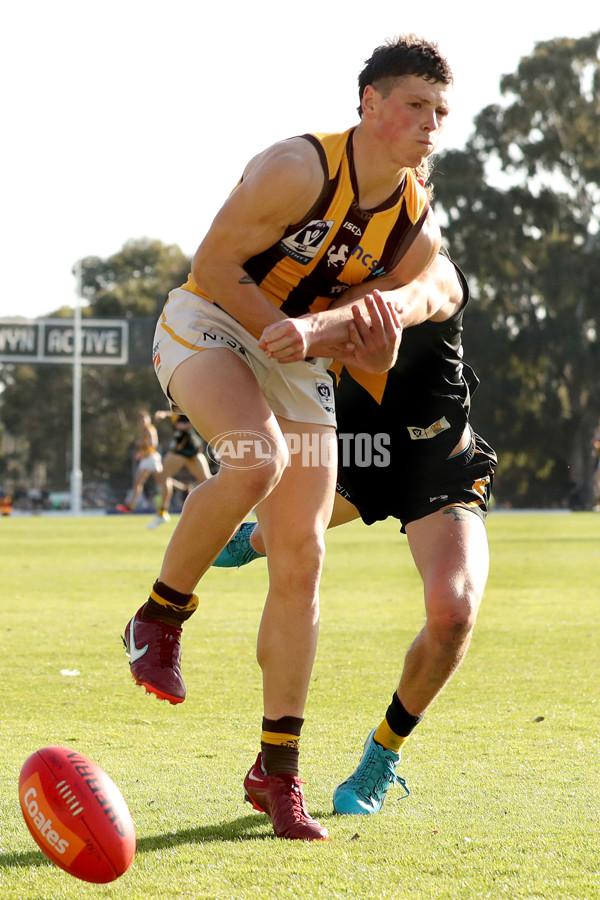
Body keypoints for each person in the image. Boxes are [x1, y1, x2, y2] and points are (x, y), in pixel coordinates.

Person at [122, 35, 454, 840]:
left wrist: (363, 336)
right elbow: (213, 261)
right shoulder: (297, 168)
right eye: (415, 106)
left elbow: (370, 337)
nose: (430, 125)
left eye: (440, 112)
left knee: (302, 557)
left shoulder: (416, 226)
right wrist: (287, 330)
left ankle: (276, 775)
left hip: (293, 353)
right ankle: (160, 616)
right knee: (258, 459)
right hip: (210, 320)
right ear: (370, 104)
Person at [215, 252, 497, 815]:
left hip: (438, 473)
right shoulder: (313, 282)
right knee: (288, 543)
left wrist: (314, 328)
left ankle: (382, 754)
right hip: (355, 464)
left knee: (454, 613)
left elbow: (404, 304)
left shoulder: (435, 275)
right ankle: (255, 539)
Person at [148, 411, 213, 529]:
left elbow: (200, 417)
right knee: (164, 478)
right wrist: (165, 415)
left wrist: (186, 425)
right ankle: (162, 513)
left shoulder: (186, 399)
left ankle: (225, 508)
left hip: (190, 449)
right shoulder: (176, 406)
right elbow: (176, 413)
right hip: (182, 450)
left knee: (208, 481)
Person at [125, 411, 165, 515]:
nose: (143, 422)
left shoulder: (149, 429)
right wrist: (141, 454)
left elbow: (153, 443)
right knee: (137, 483)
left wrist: (142, 443)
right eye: (141, 420)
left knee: (162, 482)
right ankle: (130, 506)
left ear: (148, 420)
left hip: (152, 459)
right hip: (146, 459)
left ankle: (164, 506)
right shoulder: (143, 431)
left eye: (144, 419)